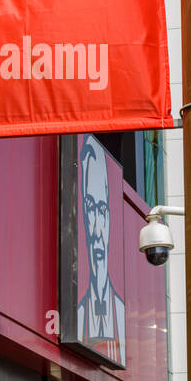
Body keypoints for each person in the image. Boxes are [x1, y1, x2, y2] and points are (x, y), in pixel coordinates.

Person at [75, 138, 126, 365]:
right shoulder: (76, 315)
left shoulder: (123, 315)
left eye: (102, 209)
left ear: (110, 217)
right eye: (90, 208)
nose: (96, 230)